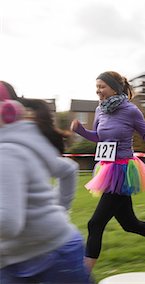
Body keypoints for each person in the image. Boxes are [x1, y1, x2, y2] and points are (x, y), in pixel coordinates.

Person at [70, 71, 145, 271]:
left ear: (115, 87)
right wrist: (80, 131)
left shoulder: (130, 110)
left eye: (102, 86)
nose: (98, 91)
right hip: (106, 168)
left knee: (95, 224)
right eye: (96, 87)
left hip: (123, 171)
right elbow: (98, 136)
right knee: (129, 223)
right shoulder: (100, 110)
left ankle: (83, 275)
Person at [0, 81, 91, 283]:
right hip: (12, 261)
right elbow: (69, 169)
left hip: (54, 256)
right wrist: (61, 210)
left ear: (7, 111)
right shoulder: (22, 145)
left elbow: (8, 223)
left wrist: (59, 211)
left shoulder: (7, 152)